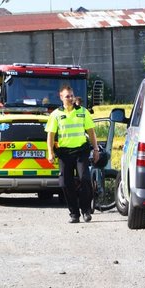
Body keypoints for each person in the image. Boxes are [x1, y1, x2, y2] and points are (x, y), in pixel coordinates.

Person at [46, 84, 100, 223]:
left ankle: (86, 210)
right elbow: (51, 136)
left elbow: (91, 132)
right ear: (61, 97)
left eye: (71, 96)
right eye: (67, 96)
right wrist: (50, 152)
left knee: (85, 179)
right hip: (64, 153)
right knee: (65, 183)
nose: (70, 98)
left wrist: (95, 149)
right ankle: (74, 213)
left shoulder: (83, 112)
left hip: (81, 151)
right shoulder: (56, 114)